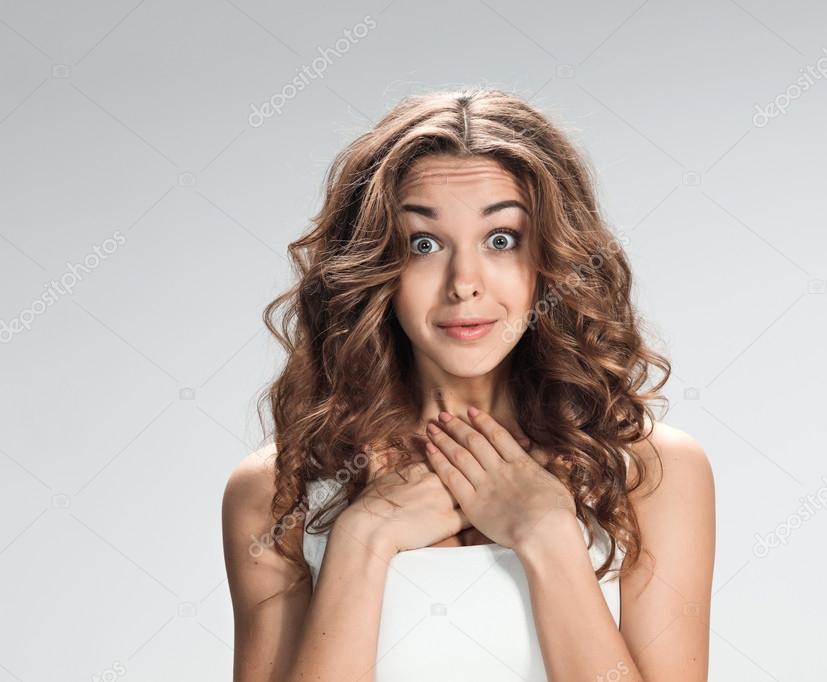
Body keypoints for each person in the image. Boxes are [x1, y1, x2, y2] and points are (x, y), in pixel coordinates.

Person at [221, 88, 715, 681]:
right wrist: (361, 541)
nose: (464, 283)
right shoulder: (278, 489)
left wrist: (548, 537)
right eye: (422, 245)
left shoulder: (650, 472)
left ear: (553, 259)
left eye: (501, 239)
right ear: (374, 267)